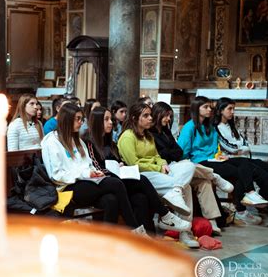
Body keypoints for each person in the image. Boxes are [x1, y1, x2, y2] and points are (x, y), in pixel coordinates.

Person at [82, 106, 191, 234]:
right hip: (104, 182)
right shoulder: (89, 142)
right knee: (142, 180)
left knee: (141, 197)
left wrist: (120, 165)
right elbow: (95, 166)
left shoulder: (111, 143)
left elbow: (120, 161)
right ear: (97, 122)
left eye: (111, 119)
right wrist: (116, 169)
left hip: (117, 179)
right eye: (106, 119)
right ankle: (163, 216)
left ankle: (148, 235)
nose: (111, 122)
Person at [41, 103, 146, 234]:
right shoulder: (51, 141)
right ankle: (135, 230)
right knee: (115, 184)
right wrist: (85, 174)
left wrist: (93, 172)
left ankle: (107, 241)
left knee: (110, 200)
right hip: (66, 188)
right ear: (67, 119)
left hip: (85, 182)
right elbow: (56, 175)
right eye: (77, 119)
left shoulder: (77, 140)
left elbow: (88, 164)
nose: (80, 122)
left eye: (81, 119)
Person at [177, 96, 268, 226]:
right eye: (206, 107)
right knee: (236, 172)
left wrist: (218, 155)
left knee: (244, 162)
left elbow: (215, 146)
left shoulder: (210, 126)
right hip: (199, 161)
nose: (210, 109)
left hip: (213, 159)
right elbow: (183, 149)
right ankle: (241, 210)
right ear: (196, 109)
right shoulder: (190, 127)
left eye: (210, 107)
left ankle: (251, 193)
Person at [117, 103, 198, 247]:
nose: (150, 118)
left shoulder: (148, 136)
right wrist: (157, 167)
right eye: (146, 116)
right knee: (187, 188)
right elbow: (133, 163)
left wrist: (162, 164)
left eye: (150, 115)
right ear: (135, 118)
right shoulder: (127, 137)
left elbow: (157, 155)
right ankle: (184, 231)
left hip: (156, 171)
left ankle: (177, 197)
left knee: (189, 166)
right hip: (141, 175)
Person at [150, 102, 234, 234]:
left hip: (176, 166)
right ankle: (214, 176)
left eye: (169, 116)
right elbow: (162, 155)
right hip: (165, 170)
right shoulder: (150, 133)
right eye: (165, 116)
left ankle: (212, 220)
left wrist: (170, 153)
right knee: (189, 168)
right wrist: (170, 153)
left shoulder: (165, 131)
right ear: (157, 115)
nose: (168, 119)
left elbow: (178, 151)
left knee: (203, 182)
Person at [214, 97, 268, 223]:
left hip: (244, 159)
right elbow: (230, 148)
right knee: (266, 178)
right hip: (234, 160)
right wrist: (241, 149)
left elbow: (245, 144)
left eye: (233, 109)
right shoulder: (217, 128)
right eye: (229, 109)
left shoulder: (231, 127)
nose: (232, 112)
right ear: (220, 110)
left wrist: (241, 149)